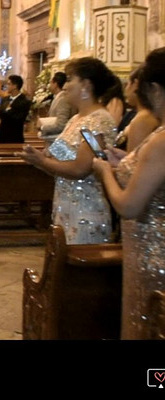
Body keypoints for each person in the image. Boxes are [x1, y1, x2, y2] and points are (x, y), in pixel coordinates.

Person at [92, 47, 165, 339]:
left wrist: (105, 172)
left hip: (154, 252)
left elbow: (130, 206)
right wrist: (125, 162)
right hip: (151, 248)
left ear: (156, 90)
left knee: (146, 325)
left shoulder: (160, 140)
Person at [16, 57, 118, 244]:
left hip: (86, 210)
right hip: (65, 206)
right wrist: (39, 158)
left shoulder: (98, 120)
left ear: (86, 85)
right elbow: (59, 161)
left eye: (70, 79)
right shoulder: (76, 119)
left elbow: (81, 169)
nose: (65, 86)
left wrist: (43, 161)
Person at [114, 65, 159, 152]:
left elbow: (133, 162)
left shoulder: (143, 119)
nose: (125, 90)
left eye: (127, 84)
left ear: (135, 84)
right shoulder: (139, 115)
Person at [0, 75, 33, 143]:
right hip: (0, 136)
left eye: (9, 84)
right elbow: (0, 113)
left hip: (14, 137)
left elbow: (19, 118)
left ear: (15, 86)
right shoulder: (5, 99)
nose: (6, 86)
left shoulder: (24, 101)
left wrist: (5, 114)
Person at [37, 71, 75, 141]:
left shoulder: (63, 99)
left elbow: (61, 125)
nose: (49, 85)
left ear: (55, 84)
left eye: (50, 82)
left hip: (59, 140)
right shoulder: (58, 97)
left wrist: (42, 127)